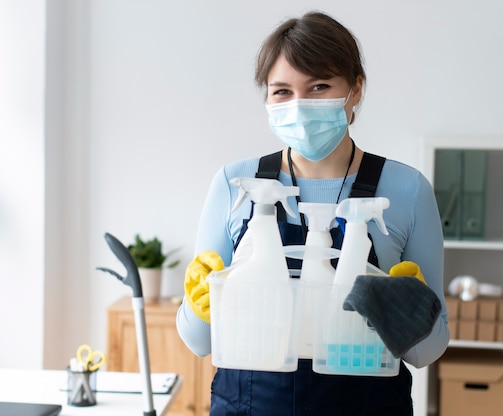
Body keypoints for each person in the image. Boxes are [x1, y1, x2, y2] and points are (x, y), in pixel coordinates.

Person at [176, 10, 449, 415]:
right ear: (267, 99)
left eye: (319, 86)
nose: (300, 105)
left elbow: (428, 352)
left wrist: (411, 314)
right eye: (282, 91)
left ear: (355, 89)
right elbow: (199, 343)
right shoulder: (235, 185)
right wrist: (201, 304)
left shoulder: (406, 191)